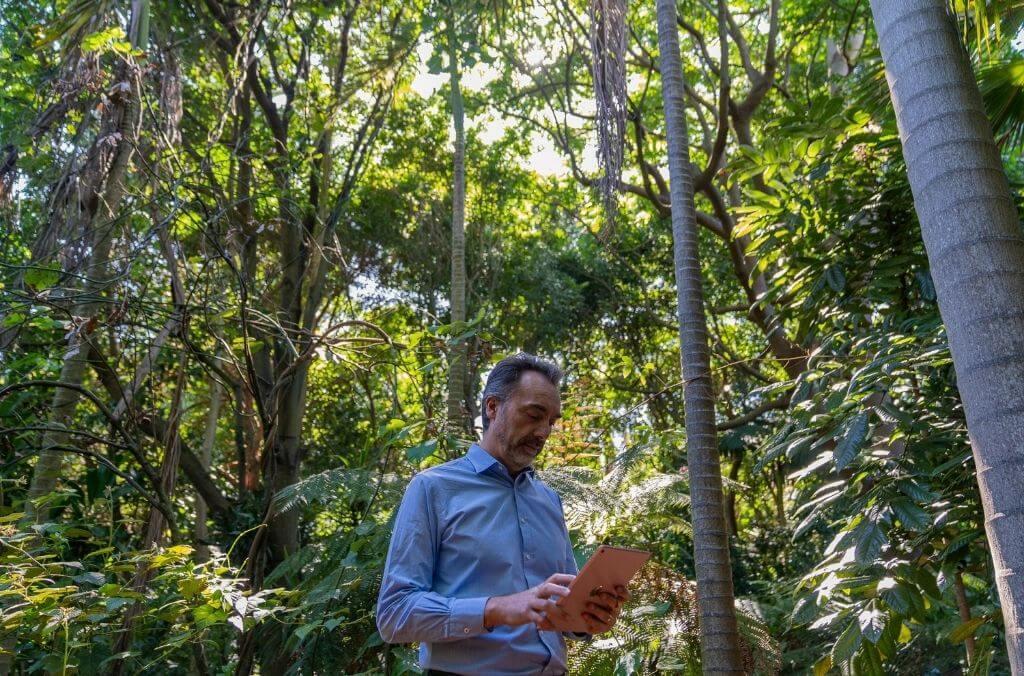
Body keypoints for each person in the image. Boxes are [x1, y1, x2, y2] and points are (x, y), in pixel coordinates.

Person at [376, 353, 630, 675]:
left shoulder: (549, 500)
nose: (543, 433)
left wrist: (588, 616)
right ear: (492, 408)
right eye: (534, 415)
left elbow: (561, 612)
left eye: (551, 421)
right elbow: (394, 615)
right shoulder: (433, 489)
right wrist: (497, 609)